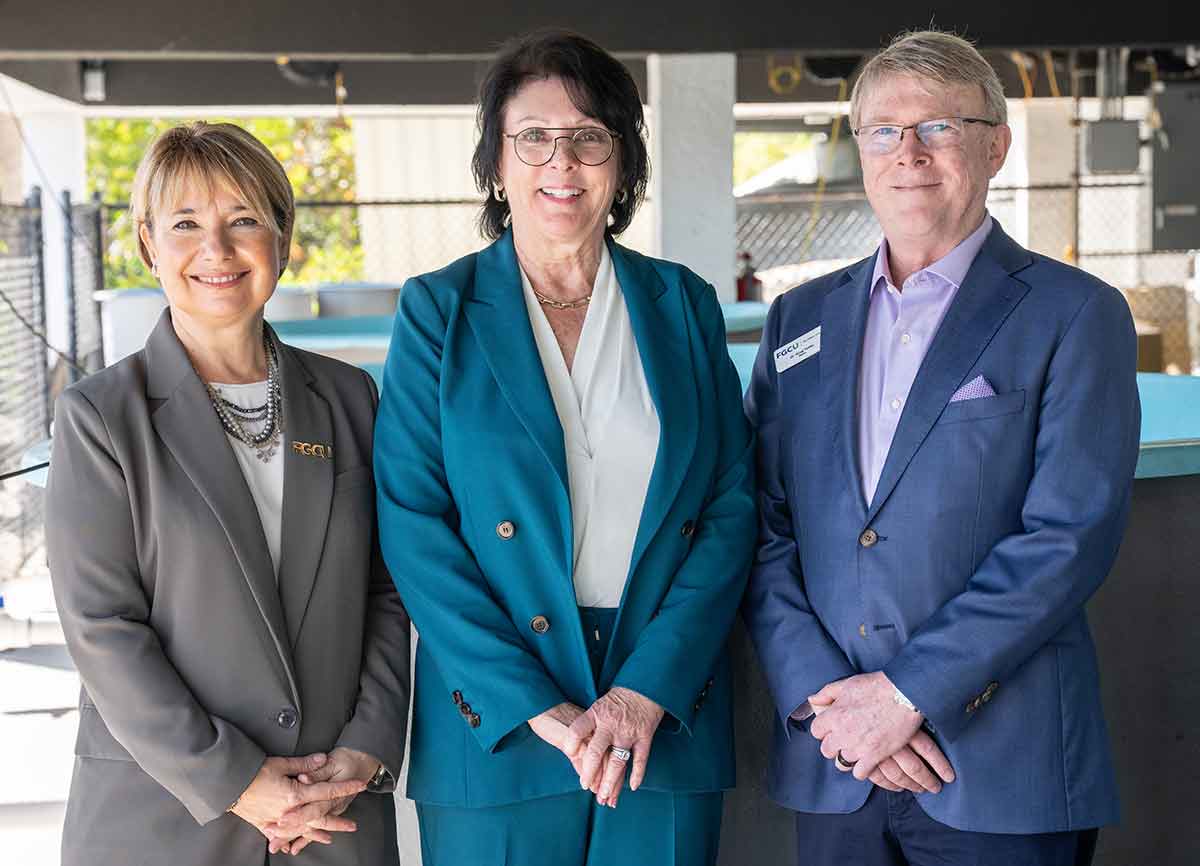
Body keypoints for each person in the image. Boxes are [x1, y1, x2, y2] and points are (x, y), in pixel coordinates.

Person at [742, 29, 1140, 866]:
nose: (908, 152)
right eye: (883, 130)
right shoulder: (799, 320)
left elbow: (1068, 536)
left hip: (1002, 767)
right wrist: (837, 713)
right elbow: (764, 528)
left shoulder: (1074, 313)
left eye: (940, 127)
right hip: (837, 763)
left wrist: (906, 694)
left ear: (995, 145)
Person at [373, 29, 755, 866]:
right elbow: (413, 526)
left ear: (621, 162)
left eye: (588, 137)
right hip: (500, 717)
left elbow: (730, 507)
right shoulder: (438, 309)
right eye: (535, 137)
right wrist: (535, 706)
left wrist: (646, 689)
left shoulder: (682, 303)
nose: (562, 162)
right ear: (496, 161)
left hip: (664, 699)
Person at [44, 121, 411, 865]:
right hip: (165, 818)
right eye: (186, 225)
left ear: (282, 237)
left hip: (329, 814)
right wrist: (235, 777)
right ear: (149, 245)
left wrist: (366, 750)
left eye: (244, 220)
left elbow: (389, 591)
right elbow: (102, 628)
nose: (217, 249)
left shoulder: (350, 399)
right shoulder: (101, 416)